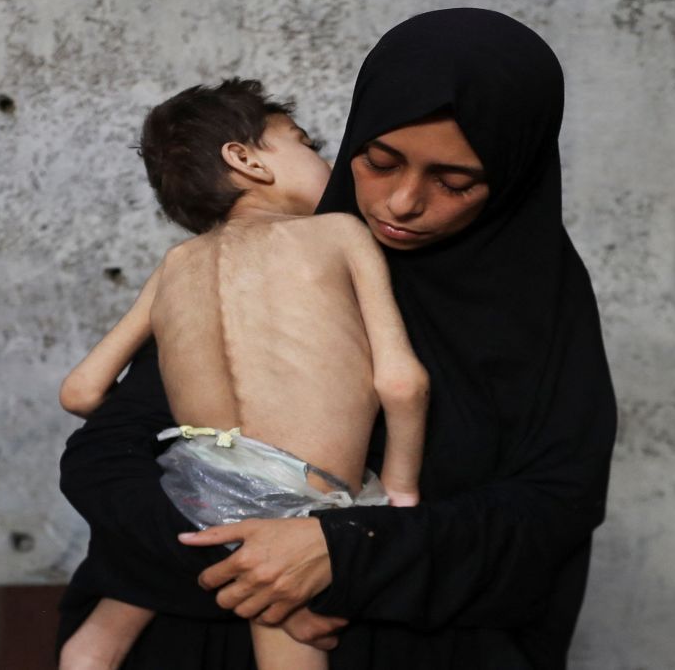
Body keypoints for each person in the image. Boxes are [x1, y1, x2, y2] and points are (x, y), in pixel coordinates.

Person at [57, 7, 617, 669]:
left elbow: (551, 511)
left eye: (454, 180)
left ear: (513, 175)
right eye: (378, 161)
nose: (403, 202)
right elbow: (106, 459)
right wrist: (257, 568)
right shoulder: (265, 262)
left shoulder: (537, 301)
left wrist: (342, 550)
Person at [56, 78, 428, 670]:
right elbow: (402, 382)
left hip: (186, 484)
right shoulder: (338, 233)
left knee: (103, 631)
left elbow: (80, 391)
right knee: (288, 637)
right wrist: (399, 499)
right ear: (246, 159)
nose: (327, 160)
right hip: (294, 501)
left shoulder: (177, 262)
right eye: (307, 143)